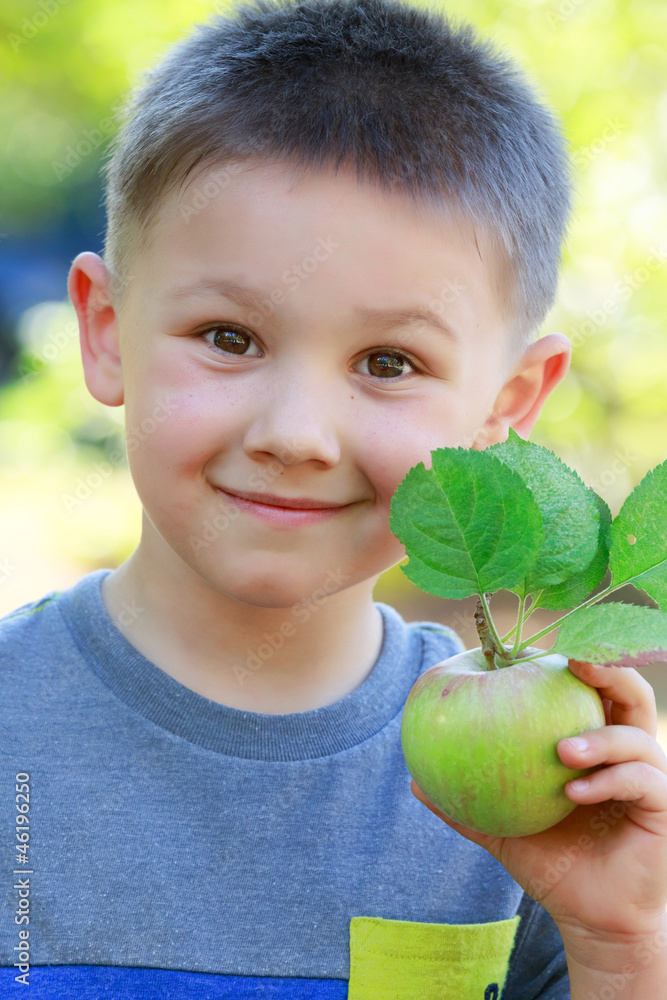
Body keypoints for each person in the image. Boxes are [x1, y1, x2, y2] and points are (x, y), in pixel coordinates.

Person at [2, 0, 667, 995]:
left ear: (505, 405)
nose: (294, 433)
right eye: (229, 336)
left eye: (388, 361)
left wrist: (618, 939)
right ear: (105, 331)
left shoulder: (549, 794)